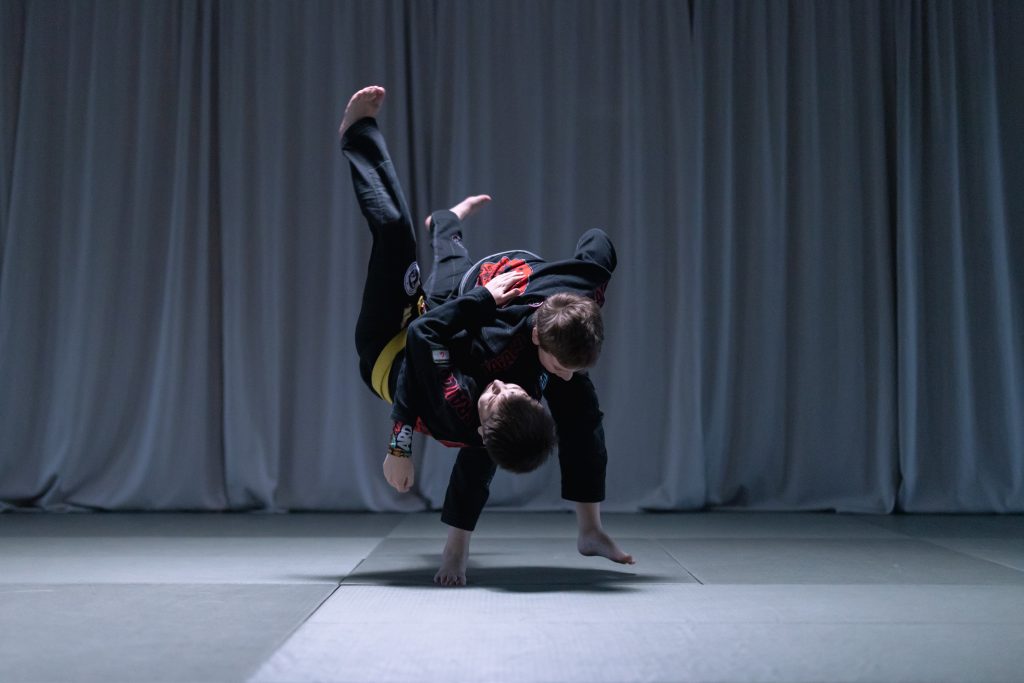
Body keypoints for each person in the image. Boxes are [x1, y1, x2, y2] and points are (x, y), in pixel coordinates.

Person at [339, 85, 634, 586]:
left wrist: (398, 446)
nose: (510, 385)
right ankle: (366, 143)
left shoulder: (465, 400)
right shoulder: (558, 310)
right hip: (452, 320)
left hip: (393, 348)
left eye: (505, 391)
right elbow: (598, 246)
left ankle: (590, 527)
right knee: (416, 252)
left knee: (400, 243)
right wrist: (492, 293)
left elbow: (423, 345)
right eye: (554, 371)